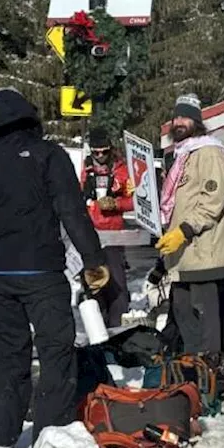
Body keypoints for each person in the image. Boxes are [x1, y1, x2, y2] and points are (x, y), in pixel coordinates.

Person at [0, 88, 110, 448]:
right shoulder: (48, 155)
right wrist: (93, 259)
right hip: (43, 272)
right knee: (55, 351)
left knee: (7, 352)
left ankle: (1, 436)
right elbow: (71, 211)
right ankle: (50, 435)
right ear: (29, 119)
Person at [155, 94, 224, 359]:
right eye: (176, 117)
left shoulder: (208, 151)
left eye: (185, 117)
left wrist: (184, 230)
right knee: (183, 316)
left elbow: (213, 200)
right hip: (181, 256)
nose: (178, 122)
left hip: (202, 253)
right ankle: (190, 373)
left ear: (197, 122)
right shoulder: (181, 154)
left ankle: (208, 376)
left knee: (204, 319)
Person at [81, 126, 134, 327]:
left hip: (114, 234)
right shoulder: (84, 170)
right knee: (94, 285)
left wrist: (116, 204)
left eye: (104, 151)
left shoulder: (121, 170)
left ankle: (117, 327)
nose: (101, 156)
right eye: (96, 152)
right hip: (90, 235)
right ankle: (97, 328)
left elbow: (135, 200)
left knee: (116, 284)